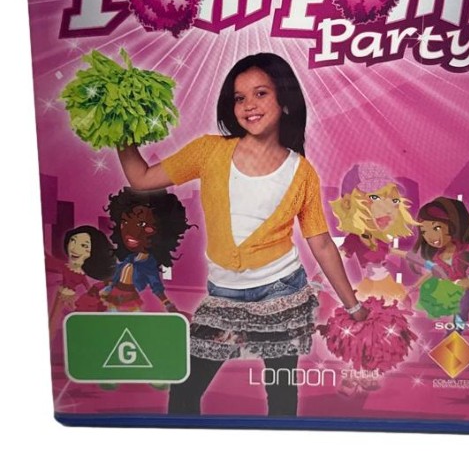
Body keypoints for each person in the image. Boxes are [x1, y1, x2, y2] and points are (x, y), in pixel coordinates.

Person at [117, 52, 367, 416]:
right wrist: (118, 127)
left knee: (281, 394)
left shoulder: (302, 173)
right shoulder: (209, 151)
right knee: (185, 389)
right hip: (224, 294)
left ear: (284, 101)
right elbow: (141, 179)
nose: (249, 105)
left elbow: (321, 243)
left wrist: (353, 305)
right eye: (239, 97)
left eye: (261, 93)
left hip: (282, 291)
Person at [391, 196, 469, 330]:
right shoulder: (437, 258)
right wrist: (412, 288)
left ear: (451, 226)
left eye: (436, 228)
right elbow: (428, 271)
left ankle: (462, 314)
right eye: (424, 232)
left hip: (459, 283)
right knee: (466, 285)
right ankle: (459, 316)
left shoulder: (460, 247)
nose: (430, 237)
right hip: (446, 286)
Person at [100, 187, 191, 312]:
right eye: (125, 222)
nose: (130, 232)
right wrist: (108, 288)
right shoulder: (129, 258)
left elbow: (156, 286)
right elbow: (117, 274)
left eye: (141, 224)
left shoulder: (149, 264)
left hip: (129, 300)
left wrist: (168, 304)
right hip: (114, 297)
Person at [46, 225, 115, 337]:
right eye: (73, 241)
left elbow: (90, 290)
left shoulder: (89, 278)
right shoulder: (61, 268)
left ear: (92, 251)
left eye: (84, 245)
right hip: (61, 302)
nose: (74, 248)